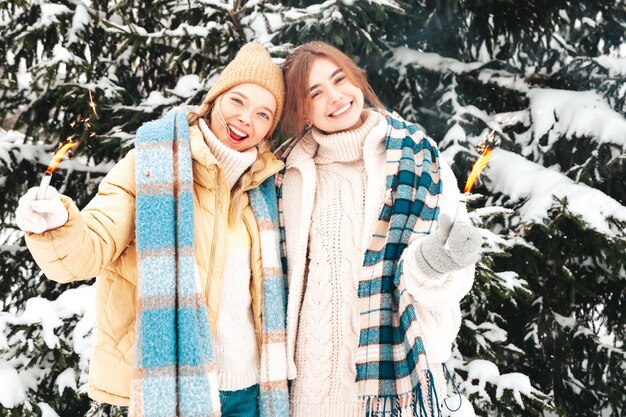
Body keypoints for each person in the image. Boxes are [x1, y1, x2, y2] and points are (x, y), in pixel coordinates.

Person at [15, 43, 289, 417]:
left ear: (271, 127)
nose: (245, 119)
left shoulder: (265, 188)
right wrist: (58, 227)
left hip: (250, 391)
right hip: (173, 390)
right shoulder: (153, 162)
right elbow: (90, 248)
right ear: (214, 100)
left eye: (263, 113)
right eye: (237, 101)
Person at [276, 41, 481, 417]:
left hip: (395, 381)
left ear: (356, 78)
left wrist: (432, 266)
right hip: (308, 384)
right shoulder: (287, 172)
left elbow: (455, 272)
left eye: (339, 79)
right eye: (315, 93)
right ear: (301, 110)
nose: (335, 97)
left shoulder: (417, 158)